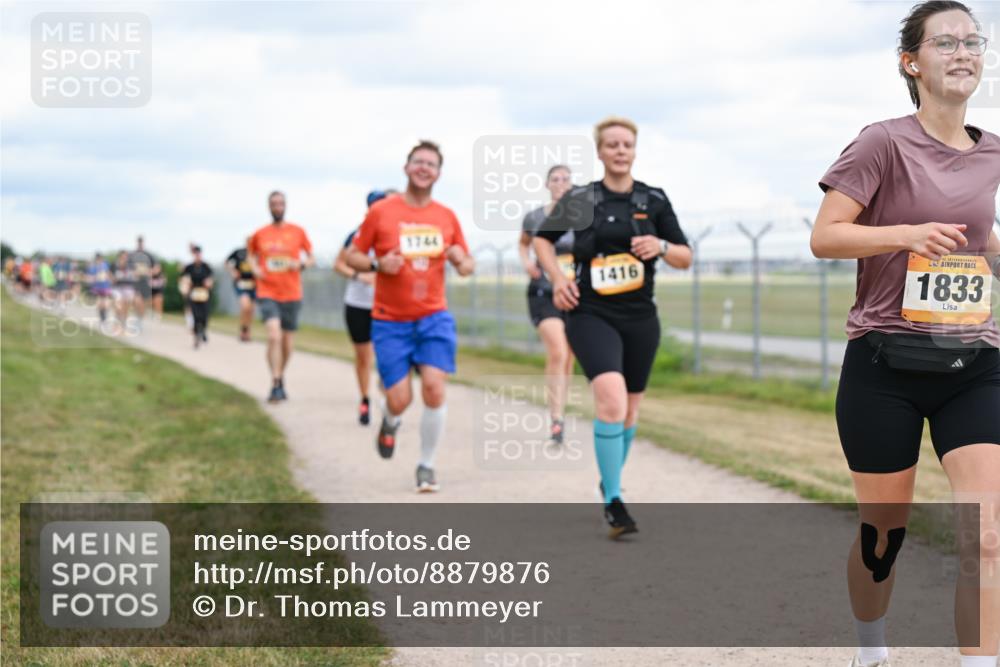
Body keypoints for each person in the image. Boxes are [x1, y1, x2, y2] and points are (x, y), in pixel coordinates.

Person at [810, 3, 999, 666]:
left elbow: (978, 241)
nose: (964, 51)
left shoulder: (994, 153)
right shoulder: (881, 142)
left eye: (973, 40)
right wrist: (906, 233)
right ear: (910, 62)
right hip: (884, 363)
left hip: (975, 361)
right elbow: (825, 235)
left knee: (989, 532)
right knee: (883, 534)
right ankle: (871, 647)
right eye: (946, 41)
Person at [534, 117, 692, 538]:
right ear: (600, 152)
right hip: (590, 313)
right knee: (611, 401)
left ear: (634, 150)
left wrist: (659, 245)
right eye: (612, 145)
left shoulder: (654, 199)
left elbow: (684, 256)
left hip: (640, 317)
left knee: (631, 409)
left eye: (627, 144)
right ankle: (614, 501)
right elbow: (542, 240)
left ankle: (610, 479)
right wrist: (558, 278)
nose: (620, 150)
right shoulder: (582, 198)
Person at [345, 141, 474, 493]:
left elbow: (466, 264)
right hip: (390, 320)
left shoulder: (446, 216)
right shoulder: (382, 212)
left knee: (434, 388)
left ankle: (426, 465)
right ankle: (390, 421)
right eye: (418, 161)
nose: (424, 168)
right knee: (400, 398)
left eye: (431, 164)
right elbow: (352, 255)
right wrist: (376, 264)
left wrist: (461, 260)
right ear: (406, 168)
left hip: (433, 316)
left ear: (438, 173)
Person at [519, 165, 576, 445]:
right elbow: (523, 243)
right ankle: (555, 419)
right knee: (558, 350)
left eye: (566, 178)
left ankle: (560, 415)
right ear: (547, 184)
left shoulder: (583, 218)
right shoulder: (535, 217)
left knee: (569, 359)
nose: (561, 183)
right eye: (556, 179)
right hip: (544, 292)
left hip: (575, 294)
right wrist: (527, 261)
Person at [334, 189, 397, 425]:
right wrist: (359, 275)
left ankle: (386, 400)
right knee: (363, 356)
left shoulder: (395, 235)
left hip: (386, 306)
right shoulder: (356, 236)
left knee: (387, 356)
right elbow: (339, 264)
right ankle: (364, 399)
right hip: (359, 304)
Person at [248, 191, 315, 403]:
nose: (277, 207)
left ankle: (279, 373)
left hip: (292, 292)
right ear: (268, 207)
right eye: (274, 204)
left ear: (285, 206)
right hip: (267, 291)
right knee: (273, 336)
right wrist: (255, 269)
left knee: (286, 343)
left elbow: (312, 256)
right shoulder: (259, 234)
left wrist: (301, 264)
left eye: (280, 204)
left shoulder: (298, 231)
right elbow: (250, 256)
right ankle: (276, 382)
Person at [179, 246, 214, 349]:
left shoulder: (206, 266)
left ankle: (203, 331)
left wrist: (209, 283)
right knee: (195, 316)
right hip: (193, 293)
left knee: (204, 316)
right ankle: (196, 337)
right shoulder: (189, 267)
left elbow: (211, 279)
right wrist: (185, 285)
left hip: (204, 293)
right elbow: (183, 279)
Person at [226, 237, 257, 342]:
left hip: (254, 284)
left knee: (251, 310)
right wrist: (233, 271)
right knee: (245, 306)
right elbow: (227, 262)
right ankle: (243, 330)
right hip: (241, 283)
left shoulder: (258, 253)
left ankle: (247, 331)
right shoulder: (238, 252)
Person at [128, 236, 157, 328]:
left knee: (143, 303)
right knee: (137, 301)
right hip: (135, 282)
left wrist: (150, 272)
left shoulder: (149, 255)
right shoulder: (132, 255)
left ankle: (139, 319)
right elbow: (127, 268)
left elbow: (157, 267)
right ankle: (137, 319)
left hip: (145, 282)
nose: (140, 244)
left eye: (141, 242)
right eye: (139, 242)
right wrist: (133, 273)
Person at [86, 252, 113, 323]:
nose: (99, 260)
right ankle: (102, 315)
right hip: (98, 286)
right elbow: (90, 277)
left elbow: (108, 274)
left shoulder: (103, 265)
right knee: (100, 301)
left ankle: (103, 314)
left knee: (104, 302)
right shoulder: (95, 266)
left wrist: (110, 280)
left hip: (104, 286)